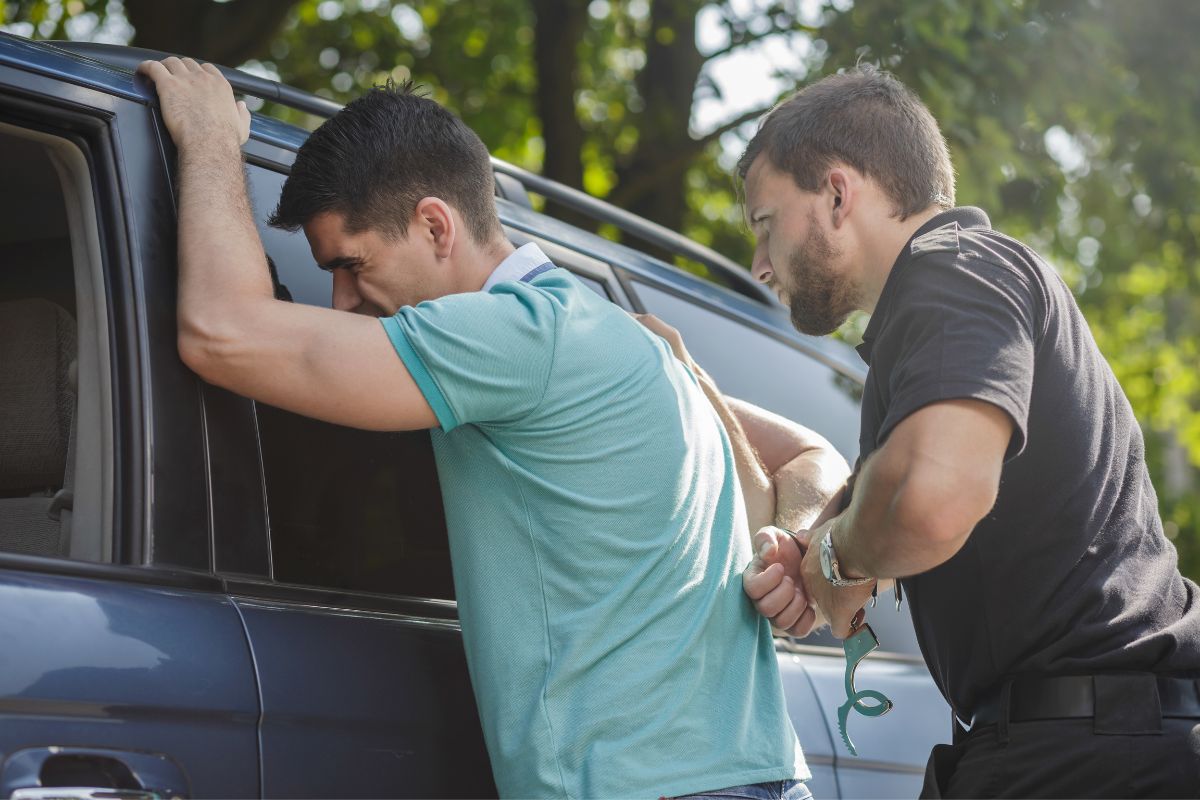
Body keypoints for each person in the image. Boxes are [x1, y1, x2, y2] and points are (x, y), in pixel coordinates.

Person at [135, 57, 842, 799]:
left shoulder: (516, 336)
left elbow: (220, 333)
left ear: (436, 225)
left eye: (351, 265)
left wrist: (211, 139)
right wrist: (798, 542)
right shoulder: (615, 336)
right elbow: (811, 451)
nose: (340, 301)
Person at [735, 66, 1200, 798]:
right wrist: (809, 556)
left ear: (835, 193)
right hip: (1083, 744)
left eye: (765, 224)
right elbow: (882, 519)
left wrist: (830, 563)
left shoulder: (953, 270)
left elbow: (931, 501)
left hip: (1082, 757)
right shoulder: (948, 317)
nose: (760, 265)